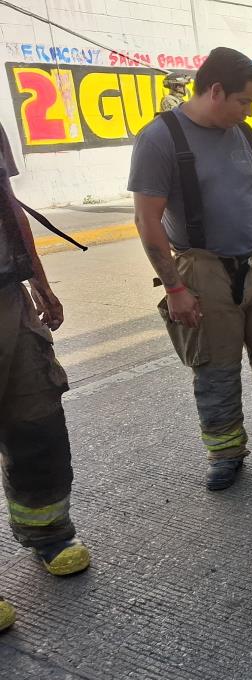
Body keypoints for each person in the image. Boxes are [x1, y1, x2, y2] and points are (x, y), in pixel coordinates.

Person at [129, 47, 252, 491]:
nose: (249, 110)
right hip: (202, 269)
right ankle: (225, 453)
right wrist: (175, 288)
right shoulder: (160, 138)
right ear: (215, 90)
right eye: (244, 101)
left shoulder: (245, 135)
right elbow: (146, 220)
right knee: (214, 370)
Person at [0, 121, 91, 636]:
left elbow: (6, 203)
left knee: (38, 427)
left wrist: (39, 280)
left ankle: (47, 534)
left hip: (9, 300)